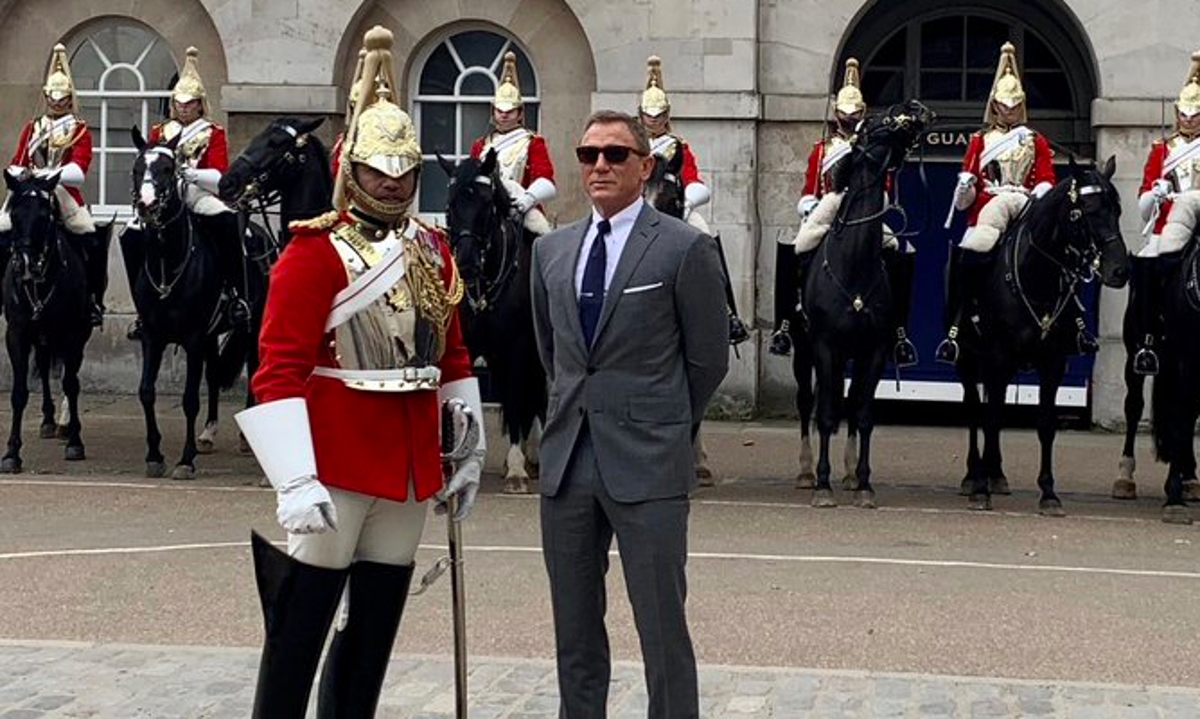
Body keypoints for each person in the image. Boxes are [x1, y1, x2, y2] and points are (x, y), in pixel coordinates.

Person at [233, 26, 484, 718]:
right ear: (353, 169)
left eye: (404, 171)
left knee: (372, 636)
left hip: (406, 466)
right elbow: (278, 369)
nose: (394, 182)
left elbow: (452, 355)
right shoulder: (314, 255)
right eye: (380, 171)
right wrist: (293, 476)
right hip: (335, 461)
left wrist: (468, 450)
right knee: (298, 633)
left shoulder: (432, 250)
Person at [530, 109, 729, 719]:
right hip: (567, 464)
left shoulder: (683, 246)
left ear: (644, 167)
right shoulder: (552, 251)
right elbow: (555, 354)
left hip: (648, 462)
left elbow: (707, 359)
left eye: (615, 155)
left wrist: (663, 422)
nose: (599, 166)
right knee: (575, 632)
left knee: (662, 629)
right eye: (589, 154)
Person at [936, 42, 1078, 364]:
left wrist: (1038, 194)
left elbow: (1045, 178)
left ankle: (1075, 326)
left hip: (1027, 206)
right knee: (967, 254)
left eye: (1015, 106)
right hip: (989, 208)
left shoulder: (1035, 140)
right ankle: (959, 325)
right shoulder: (978, 141)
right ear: (995, 105)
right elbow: (964, 199)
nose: (1009, 111)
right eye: (1004, 105)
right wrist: (964, 188)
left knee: (1065, 255)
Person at [771, 58, 918, 367]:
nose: (849, 120)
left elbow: (886, 183)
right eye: (844, 114)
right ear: (836, 114)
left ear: (863, 113)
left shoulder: (874, 146)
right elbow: (810, 187)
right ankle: (786, 322)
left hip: (864, 207)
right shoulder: (822, 148)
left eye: (855, 114)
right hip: (829, 208)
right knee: (797, 248)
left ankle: (900, 331)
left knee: (898, 251)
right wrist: (810, 204)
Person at [125, 47, 249, 340]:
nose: (183, 108)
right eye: (178, 103)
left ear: (199, 104)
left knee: (227, 221)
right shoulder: (159, 132)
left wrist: (192, 174)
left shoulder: (213, 132)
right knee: (129, 234)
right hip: (163, 197)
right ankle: (142, 308)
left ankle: (235, 294)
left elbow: (219, 175)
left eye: (189, 103)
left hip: (196, 192)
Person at [2, 43, 106, 327]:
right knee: (3, 227)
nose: (57, 103)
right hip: (31, 188)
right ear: (46, 97)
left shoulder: (79, 129)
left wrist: (52, 174)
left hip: (62, 191)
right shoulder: (32, 127)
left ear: (70, 99)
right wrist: (20, 172)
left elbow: (79, 170)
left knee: (88, 235)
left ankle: (93, 300)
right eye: (52, 98)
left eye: (62, 99)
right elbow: (19, 158)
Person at [1131, 51, 1200, 376]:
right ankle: (1146, 337)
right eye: (1184, 113)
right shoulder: (1162, 149)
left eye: (1195, 114)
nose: (1188, 119)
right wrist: (1155, 194)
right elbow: (1143, 201)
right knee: (1147, 261)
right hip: (1168, 222)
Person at [470, 50, 556, 231]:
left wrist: (526, 201)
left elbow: (546, 181)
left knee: (542, 236)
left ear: (520, 113)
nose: (504, 115)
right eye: (499, 111)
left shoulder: (533, 142)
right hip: (485, 209)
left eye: (509, 111)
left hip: (521, 207)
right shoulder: (480, 145)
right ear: (493, 111)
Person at [637, 55, 712, 233]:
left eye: (659, 116)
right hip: (635, 198)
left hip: (669, 200)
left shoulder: (677, 146)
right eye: (649, 116)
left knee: (702, 230)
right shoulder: (633, 144)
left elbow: (690, 176)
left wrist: (689, 202)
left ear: (666, 115)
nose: (654, 121)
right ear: (641, 115)